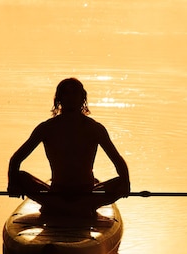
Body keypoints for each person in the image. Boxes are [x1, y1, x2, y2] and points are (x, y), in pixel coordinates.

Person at [7, 78, 130, 216]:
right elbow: (16, 159)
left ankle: (63, 207)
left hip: (86, 194)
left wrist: (126, 184)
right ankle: (75, 208)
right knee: (20, 176)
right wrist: (13, 184)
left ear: (82, 98)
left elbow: (117, 161)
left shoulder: (95, 128)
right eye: (66, 94)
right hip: (57, 193)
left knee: (121, 181)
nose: (71, 98)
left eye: (75, 94)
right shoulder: (46, 128)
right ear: (59, 99)